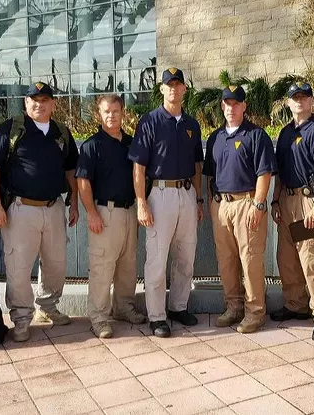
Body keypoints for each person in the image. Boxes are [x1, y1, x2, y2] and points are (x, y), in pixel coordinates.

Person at [0, 82, 79, 342]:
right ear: (26, 103)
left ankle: (47, 307)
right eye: (34, 100)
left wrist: (75, 201)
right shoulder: (13, 128)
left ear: (53, 104)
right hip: (20, 208)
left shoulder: (61, 132)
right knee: (19, 267)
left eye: (45, 99)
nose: (39, 104)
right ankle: (22, 319)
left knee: (56, 264)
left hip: (53, 207)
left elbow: (71, 169)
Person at [128, 68, 203, 338]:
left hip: (186, 193)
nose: (173, 88)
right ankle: (157, 316)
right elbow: (139, 166)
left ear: (184, 89)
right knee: (157, 259)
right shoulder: (149, 121)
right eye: (168, 84)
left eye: (178, 84)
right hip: (159, 194)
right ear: (161, 89)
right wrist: (141, 202)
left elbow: (197, 164)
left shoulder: (192, 125)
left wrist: (198, 197)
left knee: (186, 256)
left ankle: (178, 306)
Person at [203, 85, 276, 333]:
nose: (231, 108)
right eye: (227, 104)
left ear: (244, 106)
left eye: (236, 103)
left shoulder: (256, 135)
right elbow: (209, 175)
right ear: (222, 106)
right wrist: (212, 203)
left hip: (248, 202)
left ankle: (255, 312)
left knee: (250, 260)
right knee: (226, 260)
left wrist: (258, 203)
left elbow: (264, 173)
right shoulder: (215, 138)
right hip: (221, 204)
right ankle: (233, 306)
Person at [76, 94, 147, 338]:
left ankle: (124, 307)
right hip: (105, 213)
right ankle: (99, 317)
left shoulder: (130, 143)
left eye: (116, 111)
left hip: (129, 211)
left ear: (123, 112)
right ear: (99, 114)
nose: (111, 116)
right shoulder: (91, 145)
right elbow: (83, 182)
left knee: (128, 265)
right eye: (106, 112)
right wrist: (92, 213)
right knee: (102, 267)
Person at [270, 82, 314, 342]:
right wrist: (275, 201)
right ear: (288, 102)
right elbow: (280, 172)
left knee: (313, 259)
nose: (299, 101)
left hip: (308, 201)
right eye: (294, 97)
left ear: (311, 101)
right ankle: (295, 304)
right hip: (287, 200)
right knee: (287, 258)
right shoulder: (286, 133)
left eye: (303, 97)